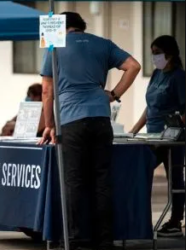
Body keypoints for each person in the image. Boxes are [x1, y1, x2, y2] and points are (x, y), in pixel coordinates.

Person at [39, 12, 141, 250]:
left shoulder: (54, 47)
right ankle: (104, 241)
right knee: (102, 180)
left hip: (71, 119)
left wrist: (49, 125)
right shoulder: (103, 43)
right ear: (81, 27)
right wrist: (113, 94)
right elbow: (134, 66)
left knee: (74, 181)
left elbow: (46, 91)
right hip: (100, 117)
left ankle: (77, 241)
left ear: (62, 28)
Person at [130, 35, 185, 237]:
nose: (154, 58)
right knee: (139, 171)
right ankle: (137, 217)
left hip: (172, 137)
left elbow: (184, 108)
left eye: (157, 54)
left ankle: (175, 220)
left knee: (175, 178)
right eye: (152, 54)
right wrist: (134, 130)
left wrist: (178, 130)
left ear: (169, 54)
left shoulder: (179, 76)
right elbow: (150, 106)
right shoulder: (156, 74)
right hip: (152, 134)